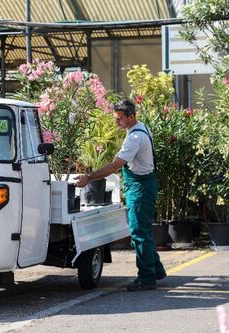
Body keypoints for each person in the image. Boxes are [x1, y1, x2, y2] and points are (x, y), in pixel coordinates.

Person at [74, 99, 166, 291]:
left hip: (140, 188)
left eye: (120, 118)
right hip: (143, 185)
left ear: (131, 117)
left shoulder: (134, 138)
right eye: (115, 118)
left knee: (139, 233)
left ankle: (146, 278)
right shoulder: (140, 128)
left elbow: (116, 165)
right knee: (144, 231)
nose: (117, 122)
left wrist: (89, 177)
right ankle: (156, 270)